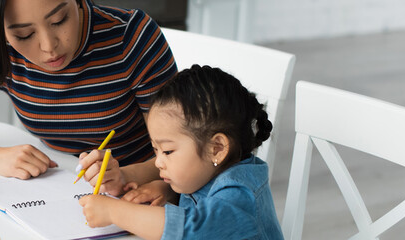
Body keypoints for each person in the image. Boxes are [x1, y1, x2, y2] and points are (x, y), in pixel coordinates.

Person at [0, 0, 178, 179]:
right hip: (56, 190)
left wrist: (134, 178)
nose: (49, 47)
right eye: (24, 35)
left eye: (59, 20)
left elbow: (185, 149)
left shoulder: (130, 36)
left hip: (147, 188)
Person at [79, 65, 284, 239]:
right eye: (155, 150)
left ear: (217, 149)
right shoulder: (206, 172)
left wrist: (114, 212)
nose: (158, 162)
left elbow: (190, 229)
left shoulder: (240, 194)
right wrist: (169, 191)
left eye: (167, 151)